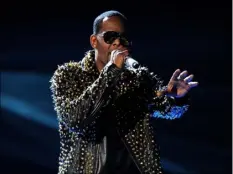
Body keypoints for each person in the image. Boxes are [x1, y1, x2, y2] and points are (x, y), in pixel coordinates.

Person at [50, 10, 198, 174]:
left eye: (123, 38)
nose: (117, 43)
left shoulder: (138, 78)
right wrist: (110, 72)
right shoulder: (69, 75)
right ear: (94, 41)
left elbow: (167, 110)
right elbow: (75, 120)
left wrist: (177, 98)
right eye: (110, 37)